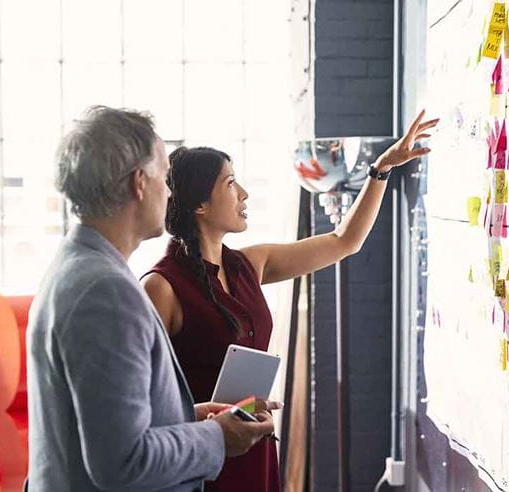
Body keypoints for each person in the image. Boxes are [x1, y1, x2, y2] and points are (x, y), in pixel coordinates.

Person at [141, 110, 439, 491]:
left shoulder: (249, 263)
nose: (243, 193)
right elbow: (141, 401)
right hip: (204, 458)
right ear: (200, 205)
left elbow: (343, 242)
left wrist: (381, 169)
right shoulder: (161, 287)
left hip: (256, 445)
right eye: (231, 183)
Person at [26, 106, 274, 492]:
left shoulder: (81, 265)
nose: (171, 191)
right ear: (139, 183)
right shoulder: (104, 293)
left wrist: (188, 419)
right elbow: (122, 462)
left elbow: (103, 425)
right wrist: (216, 437)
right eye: (164, 177)